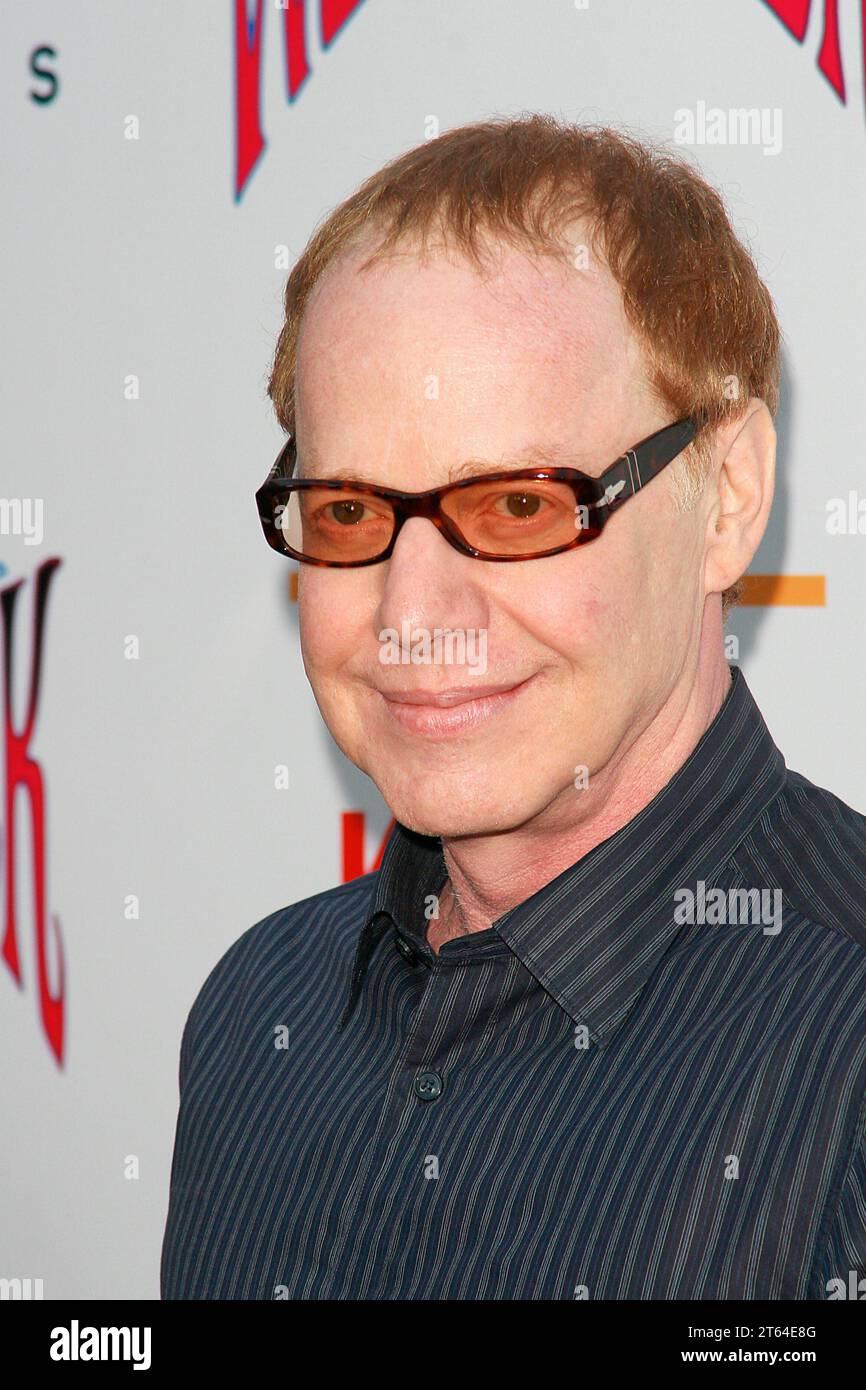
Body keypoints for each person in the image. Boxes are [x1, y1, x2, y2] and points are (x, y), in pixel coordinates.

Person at [161, 114, 866, 1300]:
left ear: (727, 495)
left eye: (517, 507)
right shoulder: (255, 1009)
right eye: (346, 513)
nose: (412, 612)